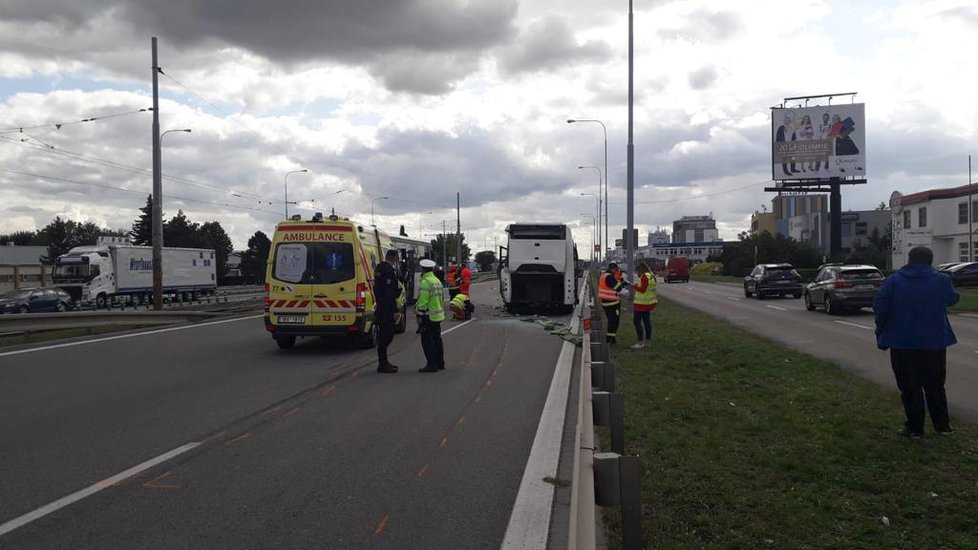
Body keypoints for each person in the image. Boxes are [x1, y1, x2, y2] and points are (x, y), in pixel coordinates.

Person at [873, 246, 959, 438]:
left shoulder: (894, 281)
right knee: (935, 386)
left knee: (909, 387)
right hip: (934, 343)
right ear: (930, 260)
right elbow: (953, 299)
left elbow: (880, 307)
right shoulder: (942, 280)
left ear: (909, 260)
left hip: (902, 342)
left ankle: (915, 427)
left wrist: (881, 332)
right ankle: (943, 426)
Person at [373, 249, 402, 373]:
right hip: (386, 309)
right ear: (394, 258)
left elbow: (378, 290)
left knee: (384, 335)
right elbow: (390, 293)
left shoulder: (379, 269)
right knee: (387, 335)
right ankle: (383, 363)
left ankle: (383, 362)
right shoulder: (388, 271)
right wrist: (394, 310)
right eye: (397, 258)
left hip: (380, 307)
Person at [416, 259, 446, 373]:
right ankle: (440, 363)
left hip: (427, 316)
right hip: (437, 315)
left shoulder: (425, 282)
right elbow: (441, 298)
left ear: (422, 269)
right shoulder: (437, 281)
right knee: (437, 340)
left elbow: (422, 302)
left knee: (427, 342)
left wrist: (419, 314)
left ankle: (431, 365)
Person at [597, 262, 626, 345]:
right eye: (616, 270)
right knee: (614, 322)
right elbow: (617, 288)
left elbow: (611, 286)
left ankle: (611, 339)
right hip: (612, 303)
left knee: (611, 321)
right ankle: (610, 339)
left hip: (606, 302)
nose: (616, 271)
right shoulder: (609, 277)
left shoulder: (603, 275)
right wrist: (625, 292)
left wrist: (621, 283)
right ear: (613, 269)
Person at [630, 262, 657, 349]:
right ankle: (648, 341)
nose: (637, 273)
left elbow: (643, 290)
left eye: (637, 271)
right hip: (649, 303)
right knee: (647, 322)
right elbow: (648, 288)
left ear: (641, 270)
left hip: (641, 304)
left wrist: (634, 286)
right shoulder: (651, 275)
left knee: (637, 322)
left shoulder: (644, 276)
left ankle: (640, 342)